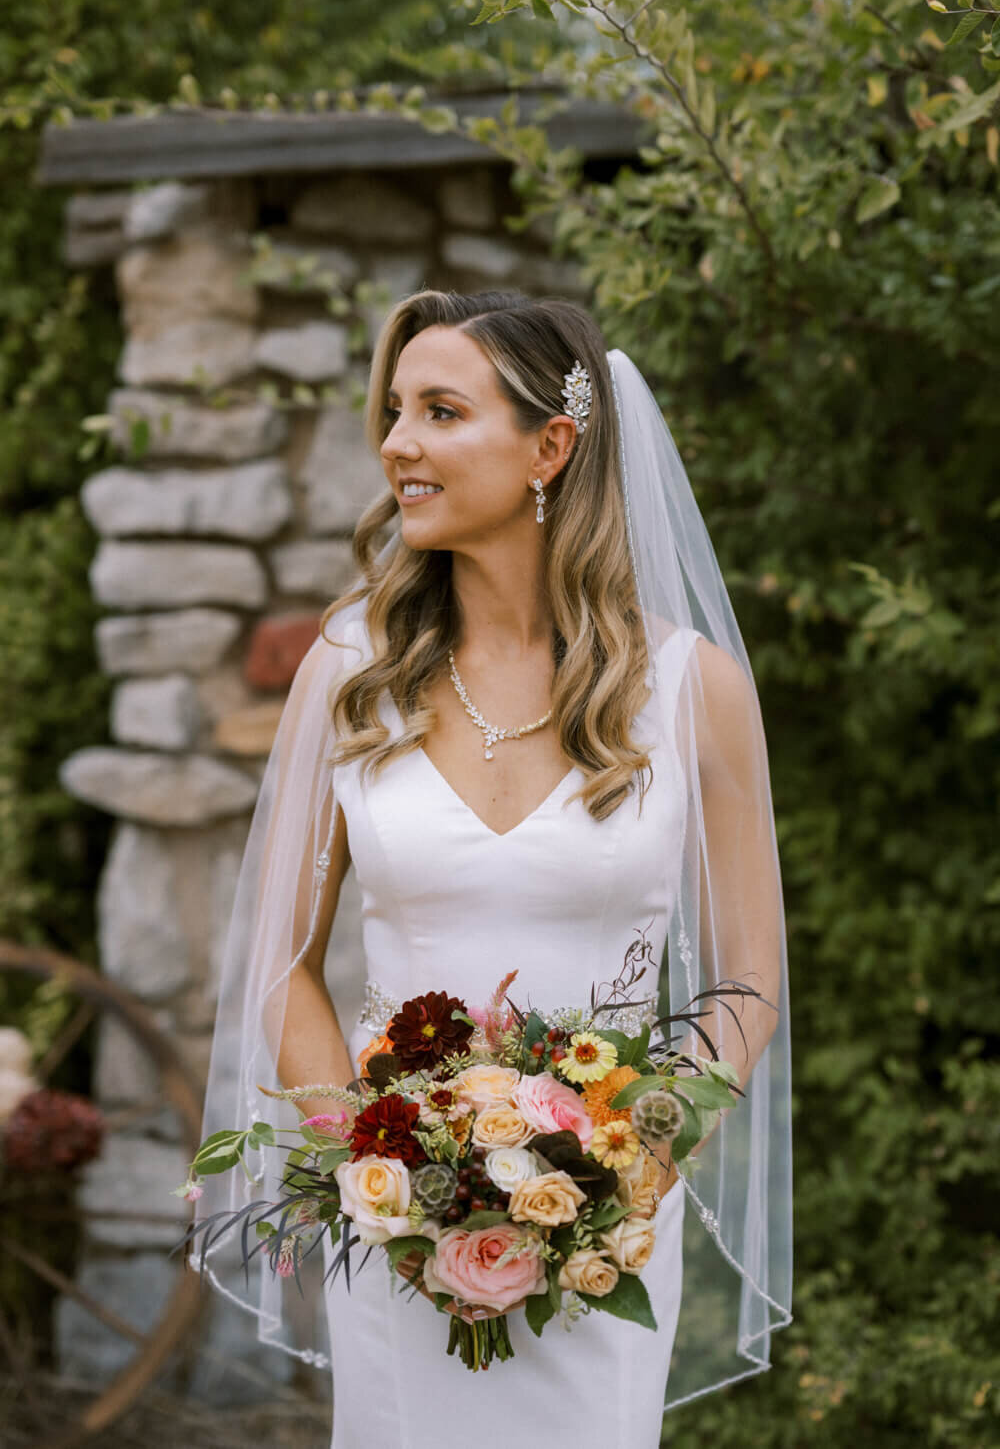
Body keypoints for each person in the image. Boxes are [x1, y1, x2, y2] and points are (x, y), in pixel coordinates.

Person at [194, 289, 793, 1447]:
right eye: (394, 411)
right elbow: (281, 959)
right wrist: (379, 1173)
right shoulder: (349, 672)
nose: (396, 444)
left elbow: (748, 978)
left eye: (439, 411)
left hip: (598, 1236)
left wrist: (633, 1164)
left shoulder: (691, 691)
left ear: (549, 447)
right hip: (398, 1245)